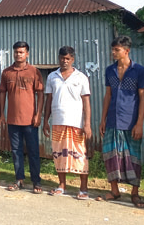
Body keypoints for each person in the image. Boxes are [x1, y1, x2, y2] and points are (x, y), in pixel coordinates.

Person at [97, 36, 144, 208]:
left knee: (134, 157)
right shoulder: (109, 70)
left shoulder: (139, 70)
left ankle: (135, 193)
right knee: (110, 155)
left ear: (126, 51)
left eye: (116, 50)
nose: (113, 52)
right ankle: (115, 190)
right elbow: (108, 95)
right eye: (112, 49)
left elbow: (143, 97)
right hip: (112, 119)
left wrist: (140, 123)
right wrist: (102, 119)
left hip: (131, 120)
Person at [43, 46, 92, 199]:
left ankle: (83, 188)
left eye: (68, 59)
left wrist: (87, 124)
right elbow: (49, 100)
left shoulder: (81, 77)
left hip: (76, 123)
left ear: (73, 59)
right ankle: (62, 185)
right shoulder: (52, 76)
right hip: (58, 122)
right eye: (62, 58)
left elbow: (86, 102)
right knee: (59, 154)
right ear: (59, 58)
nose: (64, 61)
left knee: (79, 155)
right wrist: (45, 120)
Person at [0, 41, 44, 193]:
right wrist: (1, 114)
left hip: (30, 120)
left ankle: (36, 181)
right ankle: (19, 179)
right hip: (12, 119)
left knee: (33, 151)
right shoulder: (7, 72)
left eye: (21, 52)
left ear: (27, 54)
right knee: (16, 151)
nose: (19, 54)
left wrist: (38, 115)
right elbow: (2, 93)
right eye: (16, 52)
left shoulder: (33, 71)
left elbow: (40, 94)